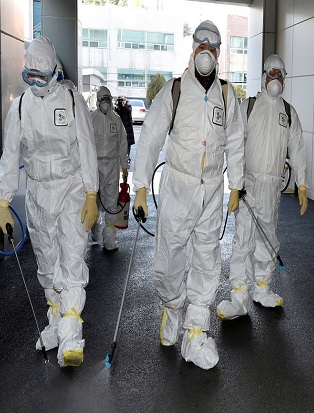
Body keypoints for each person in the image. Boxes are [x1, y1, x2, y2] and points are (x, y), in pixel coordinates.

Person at [132, 20, 245, 370]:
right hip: (178, 188)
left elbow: (238, 142)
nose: (206, 52)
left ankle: (197, 330)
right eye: (201, 44)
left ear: (219, 53)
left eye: (213, 46)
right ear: (193, 48)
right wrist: (138, 188)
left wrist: (236, 185)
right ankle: (173, 306)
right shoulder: (175, 90)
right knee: (168, 259)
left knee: (208, 260)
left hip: (212, 189)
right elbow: (150, 137)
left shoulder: (228, 96)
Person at [0, 36, 99, 367]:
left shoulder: (71, 100)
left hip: (70, 191)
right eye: (31, 75)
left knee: (71, 261)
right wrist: (3, 202)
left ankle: (71, 335)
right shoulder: (21, 107)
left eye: (42, 75)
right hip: (38, 194)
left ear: (54, 70)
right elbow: (10, 154)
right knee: (46, 264)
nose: (37, 82)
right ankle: (56, 322)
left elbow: (86, 146)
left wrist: (91, 193)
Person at [216, 54, 308, 320]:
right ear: (264, 75)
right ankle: (239, 295)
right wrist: (236, 184)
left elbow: (298, 151)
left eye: (281, 74)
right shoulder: (249, 106)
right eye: (272, 73)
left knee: (268, 237)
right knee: (243, 240)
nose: (276, 78)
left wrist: (302, 185)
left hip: (271, 187)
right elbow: (234, 145)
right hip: (248, 184)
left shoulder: (289, 113)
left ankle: (262, 287)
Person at [90, 86, 129, 251]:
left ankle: (110, 240)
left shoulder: (116, 119)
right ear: (98, 101)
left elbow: (122, 144)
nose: (105, 103)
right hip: (95, 166)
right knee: (95, 201)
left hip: (112, 166)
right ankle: (94, 232)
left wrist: (124, 166)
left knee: (111, 202)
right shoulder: (91, 119)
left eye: (108, 100)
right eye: (102, 100)